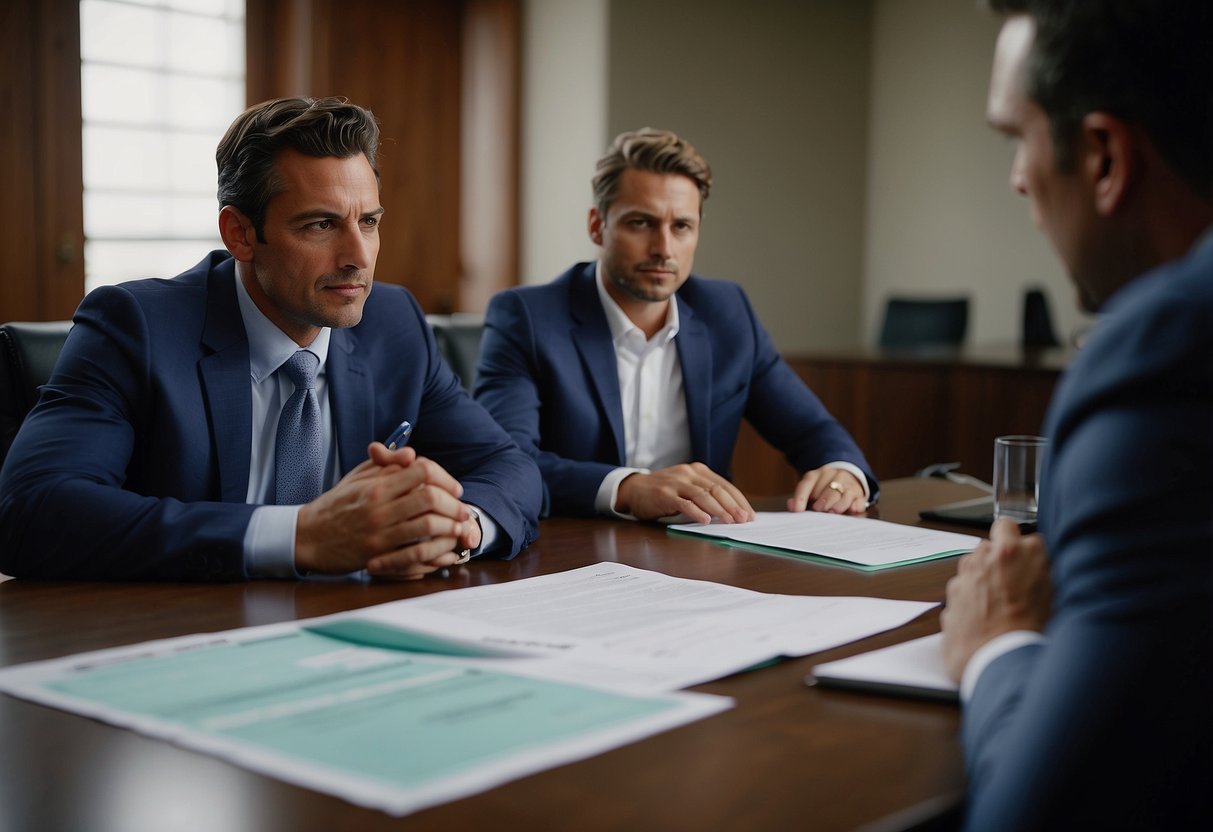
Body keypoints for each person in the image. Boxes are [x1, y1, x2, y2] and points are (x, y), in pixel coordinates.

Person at [0, 97, 542, 581]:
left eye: (369, 222)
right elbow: (32, 510)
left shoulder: (394, 321)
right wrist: (302, 534)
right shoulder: (135, 326)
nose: (358, 256)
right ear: (240, 234)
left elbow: (510, 467)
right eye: (320, 225)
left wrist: (454, 527)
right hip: (184, 644)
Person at [940, 1, 1212, 829]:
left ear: (1102, 157)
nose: (1018, 177)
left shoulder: (1165, 354)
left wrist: (999, 643)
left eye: (1015, 136)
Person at [474, 128, 876, 523]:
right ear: (598, 226)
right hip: (571, 553)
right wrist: (627, 488)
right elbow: (509, 464)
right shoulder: (526, 317)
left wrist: (842, 471)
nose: (664, 248)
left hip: (701, 553)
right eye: (641, 223)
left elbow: (811, 428)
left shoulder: (727, 312)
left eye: (681, 226)